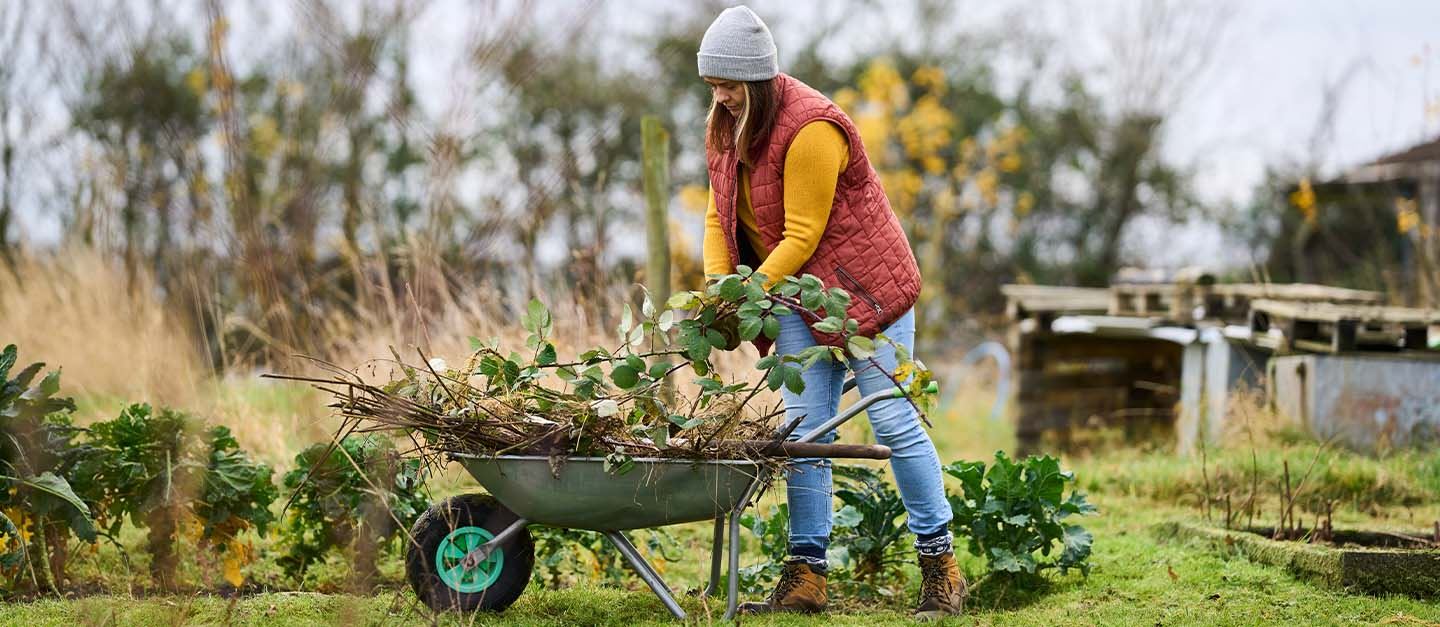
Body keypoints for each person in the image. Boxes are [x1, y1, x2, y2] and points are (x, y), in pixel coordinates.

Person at [697, 5, 966, 619]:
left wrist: (744, 296)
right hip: (796, 293)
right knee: (805, 432)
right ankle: (808, 575)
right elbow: (718, 214)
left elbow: (800, 233)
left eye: (729, 85)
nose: (719, 96)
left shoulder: (812, 128)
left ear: (759, 81)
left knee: (893, 421)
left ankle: (940, 566)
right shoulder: (723, 123)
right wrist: (717, 288)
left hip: (865, 292)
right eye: (711, 85)